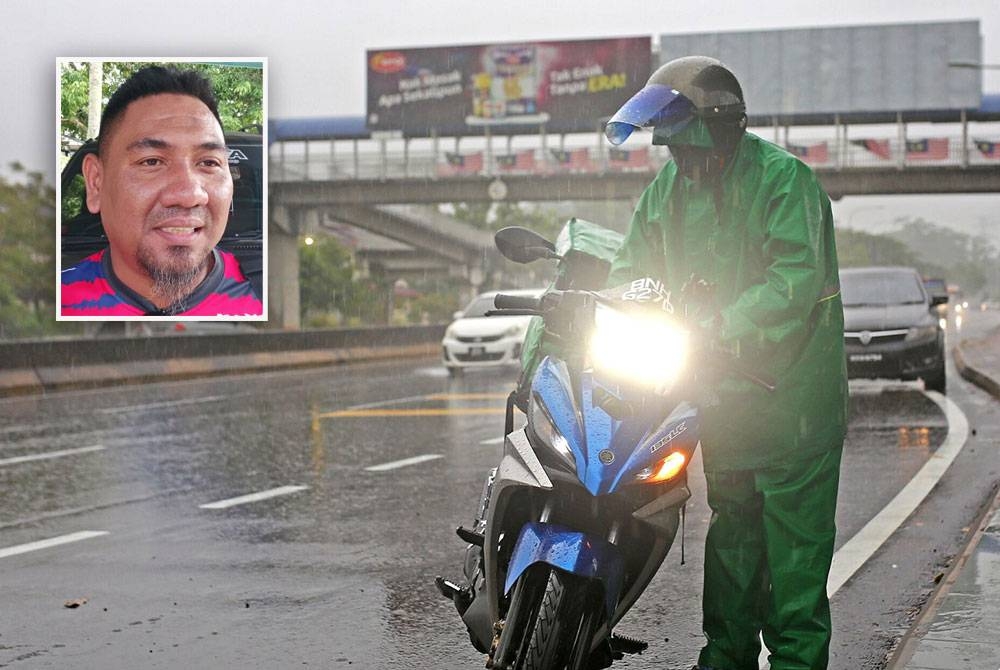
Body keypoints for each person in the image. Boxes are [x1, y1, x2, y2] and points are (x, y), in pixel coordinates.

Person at [604, 56, 848, 670]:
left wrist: (715, 327)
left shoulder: (784, 181)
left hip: (794, 401)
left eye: (692, 149)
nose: (683, 162)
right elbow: (631, 269)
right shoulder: (668, 190)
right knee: (733, 539)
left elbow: (791, 282)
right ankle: (724, 659)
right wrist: (608, 315)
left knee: (794, 559)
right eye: (673, 150)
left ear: (726, 129)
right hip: (723, 401)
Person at [61, 65, 263, 317]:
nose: (190, 195)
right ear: (96, 182)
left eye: (209, 163)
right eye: (151, 162)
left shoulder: (275, 295)